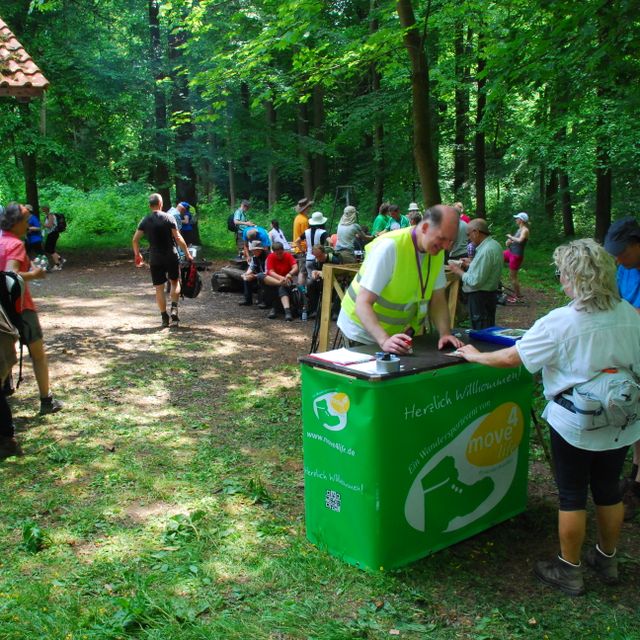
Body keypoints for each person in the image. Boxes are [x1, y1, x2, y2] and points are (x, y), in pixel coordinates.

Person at [457, 239, 640, 596]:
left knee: (572, 494)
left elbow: (514, 359)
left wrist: (475, 356)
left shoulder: (561, 321)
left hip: (576, 422)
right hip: (621, 418)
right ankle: (607, 557)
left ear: (575, 277)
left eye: (562, 274)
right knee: (607, 489)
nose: (560, 281)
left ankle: (569, 569)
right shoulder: (631, 316)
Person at [338, 205, 464, 354]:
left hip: (394, 336)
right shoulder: (390, 247)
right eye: (442, 238)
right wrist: (384, 340)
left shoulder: (436, 252)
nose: (446, 246)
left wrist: (445, 334)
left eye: (450, 241)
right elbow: (362, 303)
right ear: (424, 227)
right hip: (361, 332)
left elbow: (438, 299)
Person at [0, 203, 63, 416]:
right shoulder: (15, 245)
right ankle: (47, 400)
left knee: (5, 352)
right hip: (20, 307)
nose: (28, 226)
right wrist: (35, 274)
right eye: (26, 222)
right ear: (16, 223)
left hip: (2, 310)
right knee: (37, 354)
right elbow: (10, 276)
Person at [604, 216, 640, 520]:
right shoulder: (623, 269)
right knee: (634, 411)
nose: (618, 258)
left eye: (622, 252)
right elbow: (614, 300)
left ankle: (637, 486)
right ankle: (636, 472)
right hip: (629, 349)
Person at [132, 193, 193, 328]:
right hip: (171, 255)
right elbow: (178, 238)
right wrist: (187, 253)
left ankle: (164, 317)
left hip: (155, 258)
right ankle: (174, 308)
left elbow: (135, 240)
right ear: (161, 204)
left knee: (159, 288)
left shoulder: (145, 220)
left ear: (150, 205)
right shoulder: (169, 217)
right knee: (175, 282)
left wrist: (138, 255)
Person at [448, 218, 502, 329]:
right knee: (488, 328)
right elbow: (486, 268)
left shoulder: (486, 250)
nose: (468, 238)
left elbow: (475, 281)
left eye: (468, 235)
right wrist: (471, 264)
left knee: (480, 330)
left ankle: (480, 347)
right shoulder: (494, 245)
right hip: (489, 296)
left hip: (480, 297)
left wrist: (458, 271)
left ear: (476, 232)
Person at [264, 242, 299, 321]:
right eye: (277, 254)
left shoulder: (288, 256)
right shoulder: (271, 257)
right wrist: (280, 278)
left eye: (280, 253)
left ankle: (277, 309)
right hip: (276, 279)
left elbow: (295, 267)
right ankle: (286, 311)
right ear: (274, 252)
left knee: (281, 287)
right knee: (276, 284)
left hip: (287, 280)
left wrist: (290, 273)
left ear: (283, 250)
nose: (279, 255)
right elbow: (270, 271)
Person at [503, 212, 530, 302]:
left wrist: (511, 237)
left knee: (513, 277)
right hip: (510, 252)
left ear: (521, 220)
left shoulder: (525, 230)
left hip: (516, 256)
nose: (516, 220)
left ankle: (518, 296)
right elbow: (514, 241)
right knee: (497, 257)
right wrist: (509, 242)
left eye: (517, 218)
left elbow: (520, 240)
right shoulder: (519, 229)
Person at [239, 240, 269, 307]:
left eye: (254, 250)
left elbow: (267, 272)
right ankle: (248, 300)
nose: (253, 252)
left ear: (259, 250)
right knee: (246, 279)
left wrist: (254, 276)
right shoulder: (255, 257)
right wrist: (246, 274)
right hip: (260, 275)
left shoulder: (268, 257)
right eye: (252, 250)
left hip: (269, 276)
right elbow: (251, 267)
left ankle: (264, 301)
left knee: (261, 278)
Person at [300, 211, 329, 276]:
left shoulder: (306, 232)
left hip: (309, 258)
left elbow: (296, 241)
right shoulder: (323, 232)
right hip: (319, 259)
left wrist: (302, 250)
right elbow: (331, 241)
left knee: (311, 279)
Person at [42, 205, 65, 270]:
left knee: (50, 249)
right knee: (49, 249)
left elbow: (49, 225)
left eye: (43, 209)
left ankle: (58, 265)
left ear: (45, 209)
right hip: (52, 234)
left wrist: (41, 224)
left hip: (53, 233)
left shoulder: (50, 215)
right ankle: (61, 260)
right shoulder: (48, 216)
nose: (42, 210)